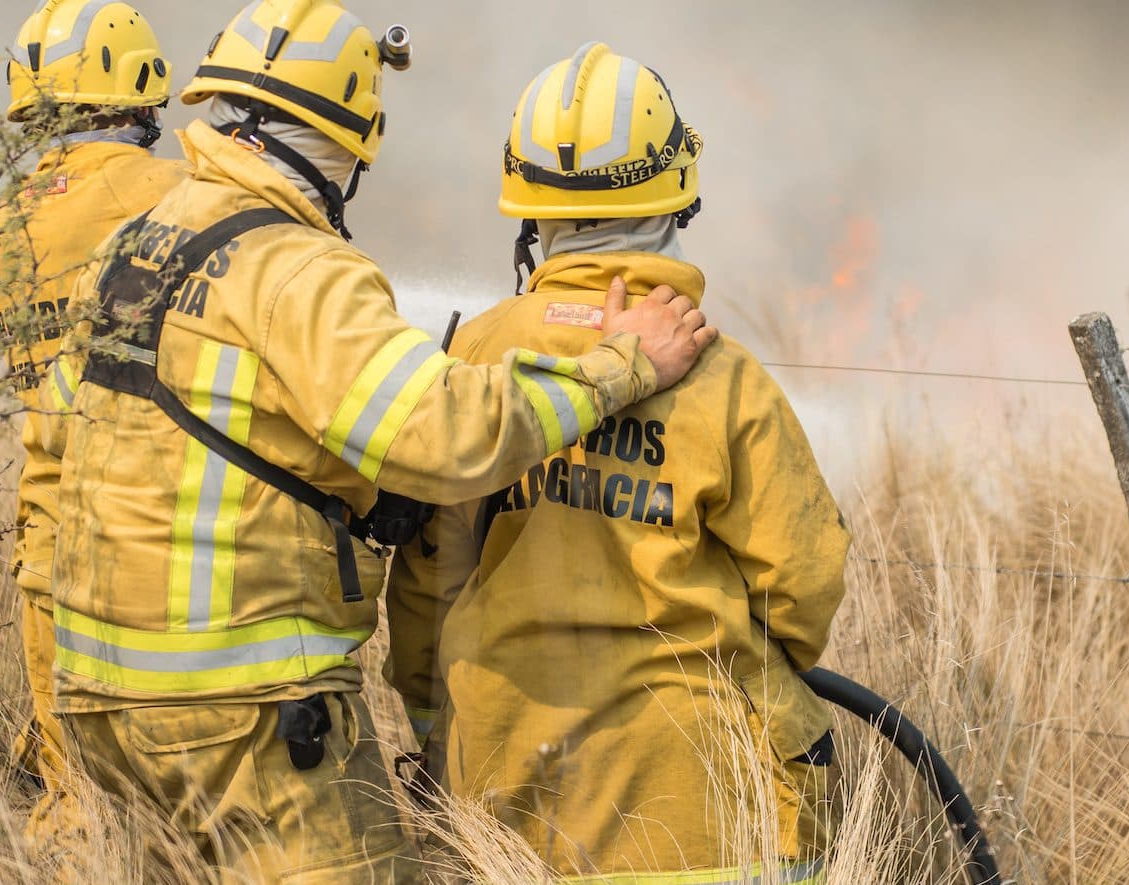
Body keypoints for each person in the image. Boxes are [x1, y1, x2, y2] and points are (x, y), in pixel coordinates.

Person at [43, 2, 715, 880]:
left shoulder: (131, 246)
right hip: (247, 707)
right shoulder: (301, 270)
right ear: (345, 139)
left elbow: (59, 444)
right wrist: (623, 366)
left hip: (98, 700)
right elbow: (446, 434)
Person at [386, 43, 850, 883]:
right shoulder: (723, 375)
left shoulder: (472, 360)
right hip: (702, 809)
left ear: (529, 211)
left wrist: (434, 725)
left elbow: (425, 581)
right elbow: (802, 588)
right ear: (680, 196)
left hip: (501, 795)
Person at [0, 0, 185, 857]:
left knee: (75, 811)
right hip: (148, 543)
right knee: (175, 812)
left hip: (45, 545)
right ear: (142, 89)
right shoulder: (167, 192)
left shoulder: (3, 224)